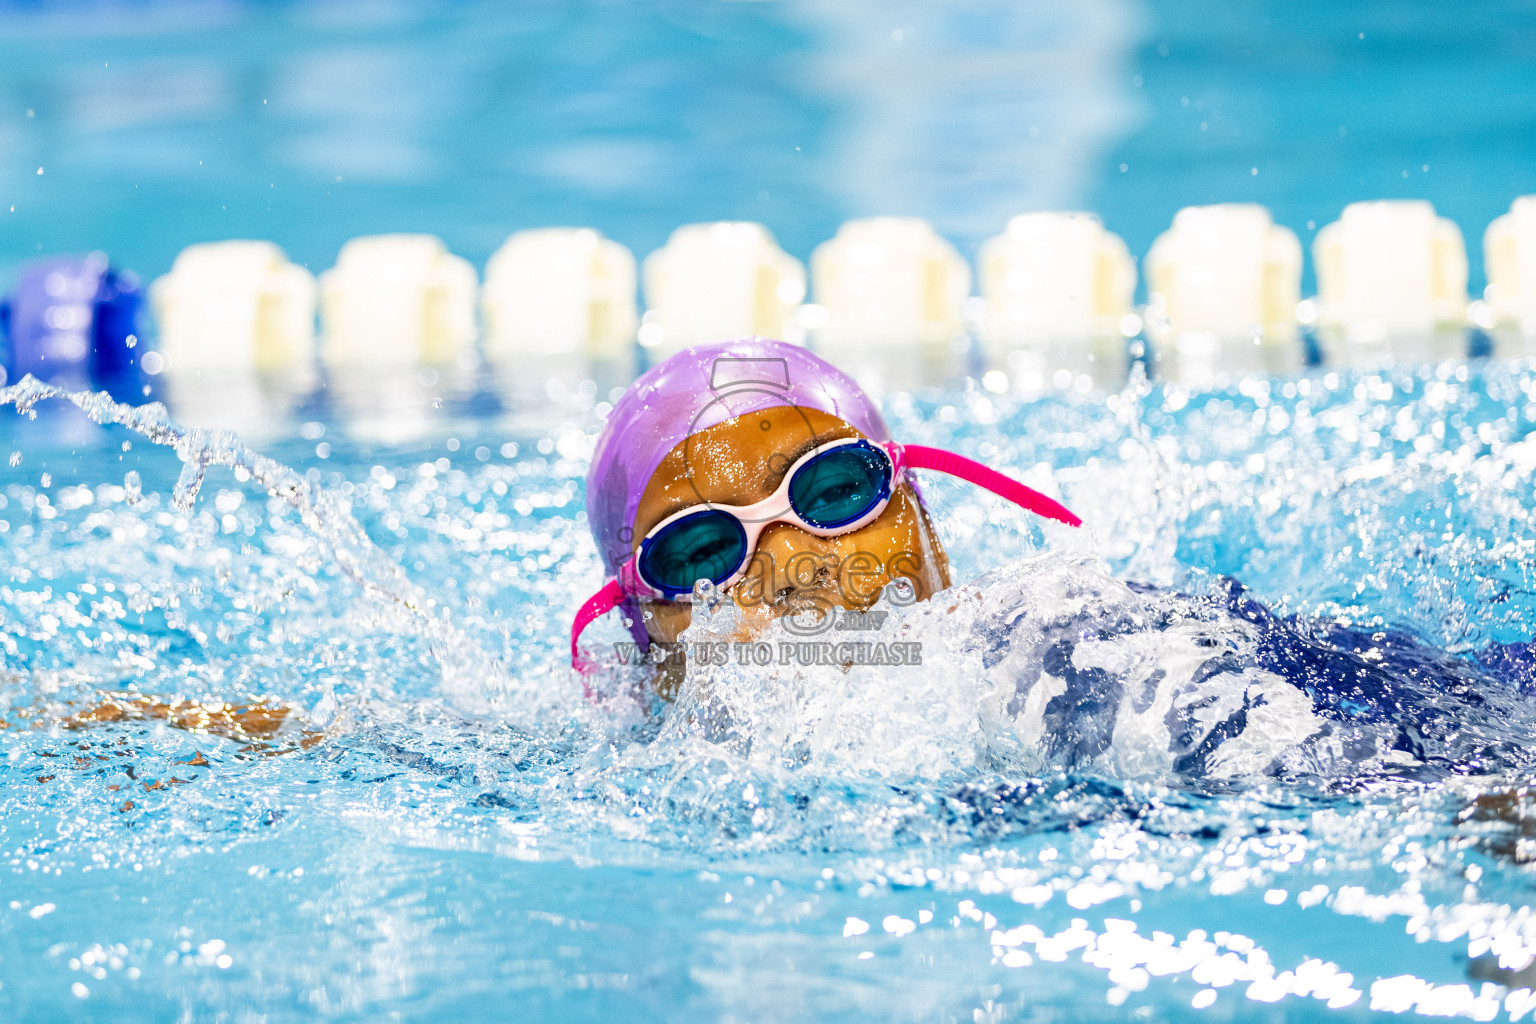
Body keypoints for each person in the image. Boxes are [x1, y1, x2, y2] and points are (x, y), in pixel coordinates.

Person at [570, 336, 1080, 694]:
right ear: (652, 656)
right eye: (704, 551)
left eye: (835, 491)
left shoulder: (1063, 658)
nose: (792, 563)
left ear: (927, 528)